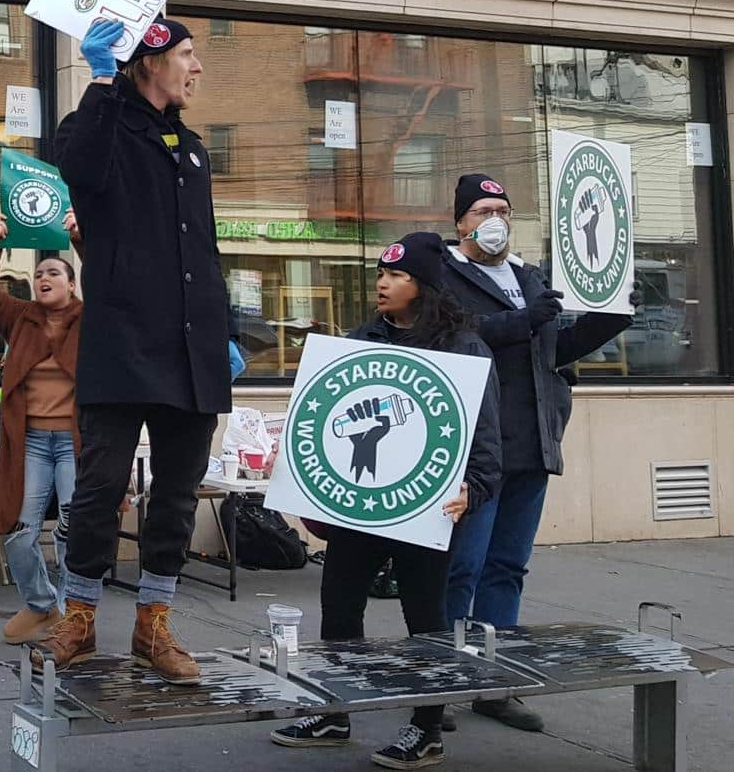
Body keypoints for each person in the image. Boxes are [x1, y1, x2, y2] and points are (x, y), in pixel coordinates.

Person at [35, 17, 243, 683]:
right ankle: (80, 615)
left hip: (192, 346)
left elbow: (203, 250)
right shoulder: (100, 126)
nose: (197, 68)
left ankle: (155, 621)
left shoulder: (192, 147)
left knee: (178, 495)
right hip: (123, 344)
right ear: (149, 61)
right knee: (98, 489)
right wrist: (100, 77)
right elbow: (76, 167)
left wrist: (225, 331)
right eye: (187, 54)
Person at [271, 232, 502, 770]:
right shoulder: (361, 339)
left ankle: (427, 730)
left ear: (424, 286)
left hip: (428, 510)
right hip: (361, 508)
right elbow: (329, 415)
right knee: (340, 607)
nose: (383, 283)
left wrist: (474, 491)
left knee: (425, 619)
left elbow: (487, 443)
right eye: (382, 273)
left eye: (397, 276)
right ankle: (335, 711)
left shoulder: (463, 347)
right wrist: (313, 488)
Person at [440, 173, 633, 732]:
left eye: (503, 207)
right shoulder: (445, 276)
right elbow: (454, 337)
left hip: (533, 444)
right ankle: (443, 680)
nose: (495, 219)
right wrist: (524, 318)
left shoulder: (531, 277)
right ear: (460, 222)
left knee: (506, 567)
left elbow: (554, 348)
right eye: (482, 210)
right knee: (462, 568)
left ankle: (497, 683)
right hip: (475, 451)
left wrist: (610, 315)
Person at [0, 212, 84, 645]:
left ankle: (77, 613)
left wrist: (78, 234)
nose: (43, 278)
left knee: (75, 527)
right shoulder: (20, 318)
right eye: (38, 274)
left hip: (74, 443)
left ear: (72, 284)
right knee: (19, 529)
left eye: (54, 272)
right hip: (31, 442)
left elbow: (116, 289)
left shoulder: (92, 320)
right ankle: (42, 605)